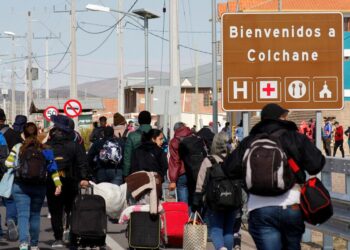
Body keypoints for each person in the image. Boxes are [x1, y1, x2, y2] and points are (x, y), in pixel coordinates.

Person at [223, 103, 325, 250]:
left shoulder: (250, 141)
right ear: (281, 118)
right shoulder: (295, 137)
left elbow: (229, 169)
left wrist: (250, 175)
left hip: (259, 207)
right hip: (292, 204)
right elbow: (316, 165)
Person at [5, 122, 62, 250]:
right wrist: (58, 184)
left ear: (23, 134)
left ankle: (24, 243)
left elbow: (8, 163)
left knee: (23, 215)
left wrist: (18, 167)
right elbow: (53, 169)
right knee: (35, 214)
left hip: (20, 186)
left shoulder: (18, 147)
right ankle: (35, 245)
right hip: (39, 186)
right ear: (36, 133)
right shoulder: (45, 148)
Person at [46, 115, 90, 248]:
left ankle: (58, 238)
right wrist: (84, 178)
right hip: (71, 180)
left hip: (53, 182)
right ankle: (70, 232)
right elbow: (82, 163)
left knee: (55, 210)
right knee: (72, 208)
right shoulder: (75, 145)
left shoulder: (47, 146)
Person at [193, 131, 237, 250]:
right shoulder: (234, 160)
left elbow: (201, 182)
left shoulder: (209, 161)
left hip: (215, 202)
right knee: (229, 230)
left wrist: (197, 200)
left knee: (216, 228)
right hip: (233, 201)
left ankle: (220, 248)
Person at [0, 109, 23, 241]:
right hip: (9, 172)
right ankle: (10, 220)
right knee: (10, 199)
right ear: (4, 118)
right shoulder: (14, 134)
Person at [122, 111, 152, 178]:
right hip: (154, 173)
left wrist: (125, 174)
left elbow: (127, 156)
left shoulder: (132, 136)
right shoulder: (157, 135)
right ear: (150, 120)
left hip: (136, 171)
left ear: (139, 121)